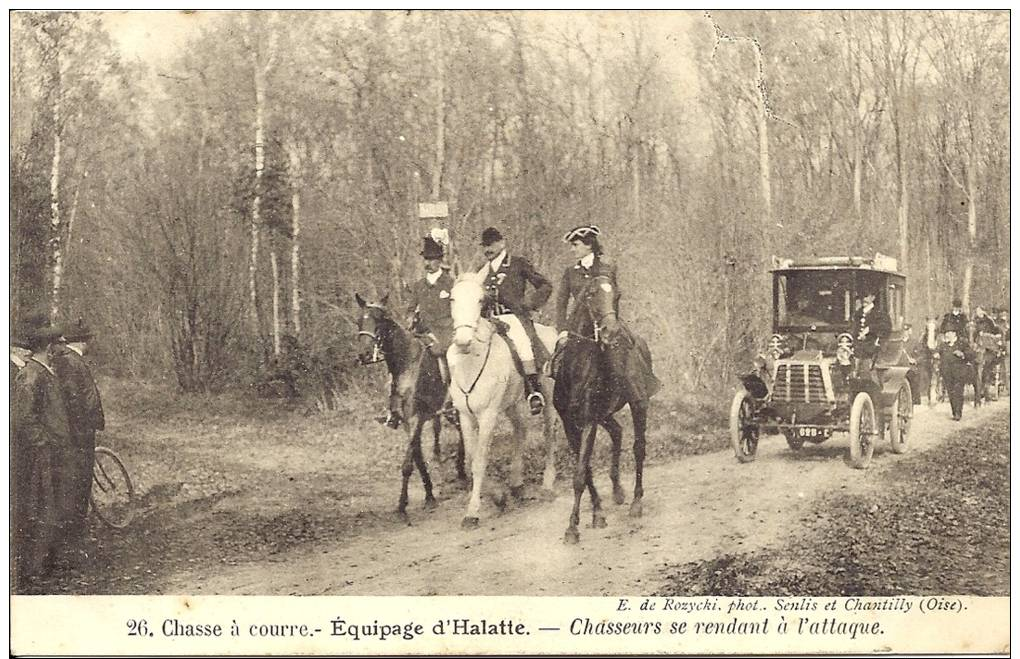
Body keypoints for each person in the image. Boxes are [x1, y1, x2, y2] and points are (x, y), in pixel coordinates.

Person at [11, 313, 71, 588]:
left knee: (52, 508)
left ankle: (44, 565)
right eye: (56, 345)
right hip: (42, 457)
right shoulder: (32, 375)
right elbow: (23, 419)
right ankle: (31, 570)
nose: (60, 349)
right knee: (39, 510)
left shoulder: (44, 373)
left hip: (54, 453)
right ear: (47, 348)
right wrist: (43, 442)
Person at [478, 226, 553, 414]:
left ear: (502, 243)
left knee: (522, 343)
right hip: (489, 319)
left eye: (491, 245)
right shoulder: (481, 271)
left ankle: (533, 390)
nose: (487, 249)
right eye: (484, 246)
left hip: (512, 317)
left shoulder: (517, 263)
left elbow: (544, 285)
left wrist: (529, 304)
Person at [52, 318, 105, 559]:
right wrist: (81, 430)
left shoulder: (70, 361)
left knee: (78, 484)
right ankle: (74, 539)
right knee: (78, 484)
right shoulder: (72, 363)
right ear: (85, 341)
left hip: (80, 433)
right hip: (79, 435)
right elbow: (74, 401)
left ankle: (75, 537)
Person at [405, 235, 456, 419]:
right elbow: (411, 308)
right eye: (426, 259)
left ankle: (453, 402)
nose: (428, 263)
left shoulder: (450, 283)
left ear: (440, 260)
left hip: (446, 333)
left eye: (432, 259)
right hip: (424, 333)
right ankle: (397, 406)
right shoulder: (419, 285)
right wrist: (410, 318)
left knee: (452, 361)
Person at [554, 225, 619, 343]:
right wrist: (562, 330)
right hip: (577, 327)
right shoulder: (570, 272)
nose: (572, 249)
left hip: (604, 323)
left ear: (588, 245)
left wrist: (610, 321)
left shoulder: (607, 268)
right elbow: (561, 303)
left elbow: (614, 296)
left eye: (576, 245)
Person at [939, 329, 975, 421]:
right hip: (947, 374)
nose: (947, 335)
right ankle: (954, 411)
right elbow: (939, 355)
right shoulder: (943, 346)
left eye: (949, 333)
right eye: (946, 333)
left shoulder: (962, 344)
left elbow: (971, 354)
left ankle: (958, 413)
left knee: (958, 392)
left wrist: (963, 354)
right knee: (951, 393)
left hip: (959, 373)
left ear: (954, 334)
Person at [850, 291, 891, 361]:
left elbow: (886, 327)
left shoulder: (880, 313)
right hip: (857, 348)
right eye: (862, 296)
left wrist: (870, 329)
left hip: (872, 350)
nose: (863, 299)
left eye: (866, 296)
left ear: (873, 297)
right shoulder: (857, 313)